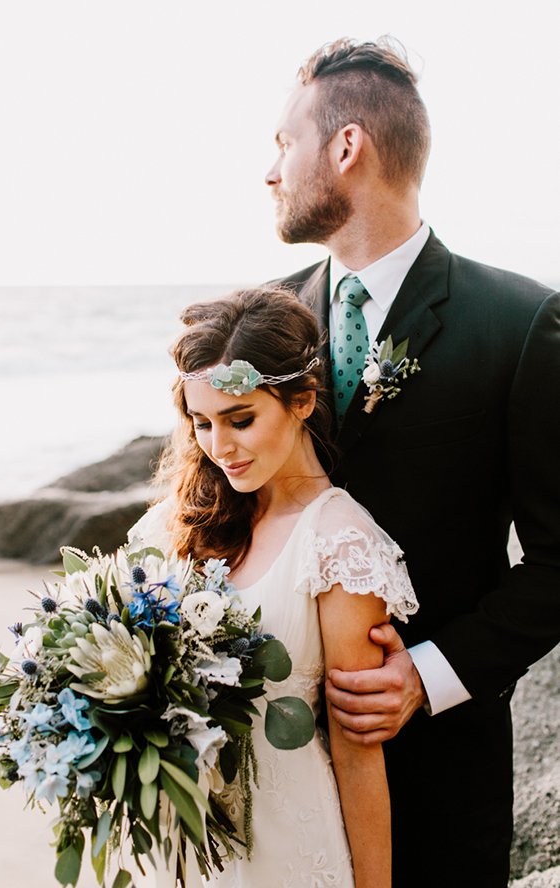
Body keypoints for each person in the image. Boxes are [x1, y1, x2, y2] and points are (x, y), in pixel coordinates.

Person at [264, 37, 560, 887]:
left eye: (284, 143)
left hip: (441, 769)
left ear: (346, 147)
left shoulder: (521, 324)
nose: (271, 170)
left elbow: (559, 559)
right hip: (278, 767)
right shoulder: (269, 320)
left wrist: (429, 678)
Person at [130, 287, 419, 888]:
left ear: (302, 401)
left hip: (292, 847)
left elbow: (357, 751)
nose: (219, 447)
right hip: (188, 844)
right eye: (201, 423)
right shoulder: (178, 521)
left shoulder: (339, 545)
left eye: (241, 420)